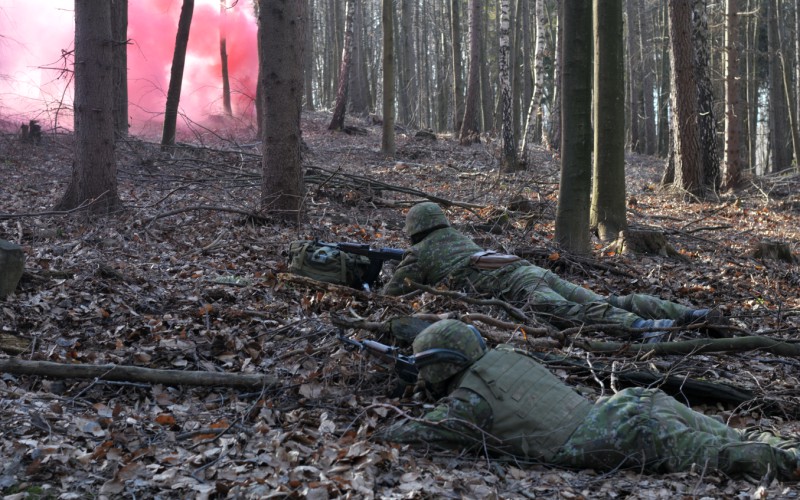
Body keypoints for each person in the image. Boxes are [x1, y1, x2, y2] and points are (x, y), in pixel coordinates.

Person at [378, 320, 800, 481]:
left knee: (730, 457)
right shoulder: (508, 356)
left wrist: (391, 418)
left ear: (439, 366)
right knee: (733, 434)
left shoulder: (469, 402)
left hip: (623, 433)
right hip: (632, 404)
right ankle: (786, 446)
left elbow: (413, 434)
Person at [383, 202, 728, 341]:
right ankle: (690, 315)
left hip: (514, 282)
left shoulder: (419, 252)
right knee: (610, 298)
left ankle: (646, 328)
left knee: (567, 311)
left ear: (414, 229)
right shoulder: (456, 236)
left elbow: (392, 297)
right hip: (525, 268)